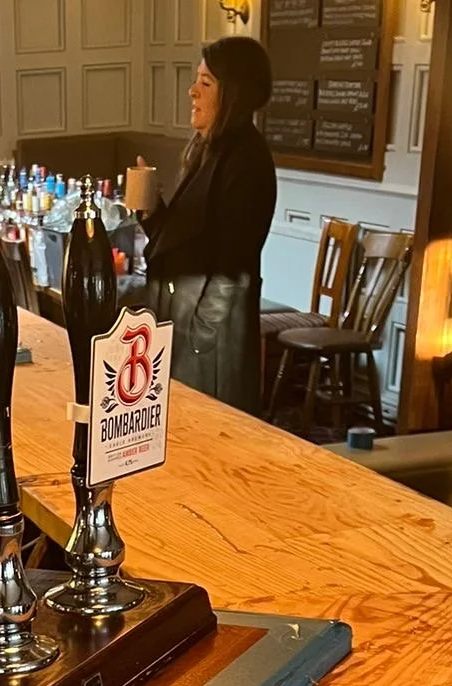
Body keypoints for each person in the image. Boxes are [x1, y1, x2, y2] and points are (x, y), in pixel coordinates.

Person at [141, 37, 277, 414]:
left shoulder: (247, 159)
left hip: (211, 340)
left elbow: (234, 266)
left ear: (232, 93)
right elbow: (187, 240)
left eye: (205, 83)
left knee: (209, 439)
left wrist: (200, 335)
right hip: (184, 323)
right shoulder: (209, 147)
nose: (192, 91)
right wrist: (150, 206)